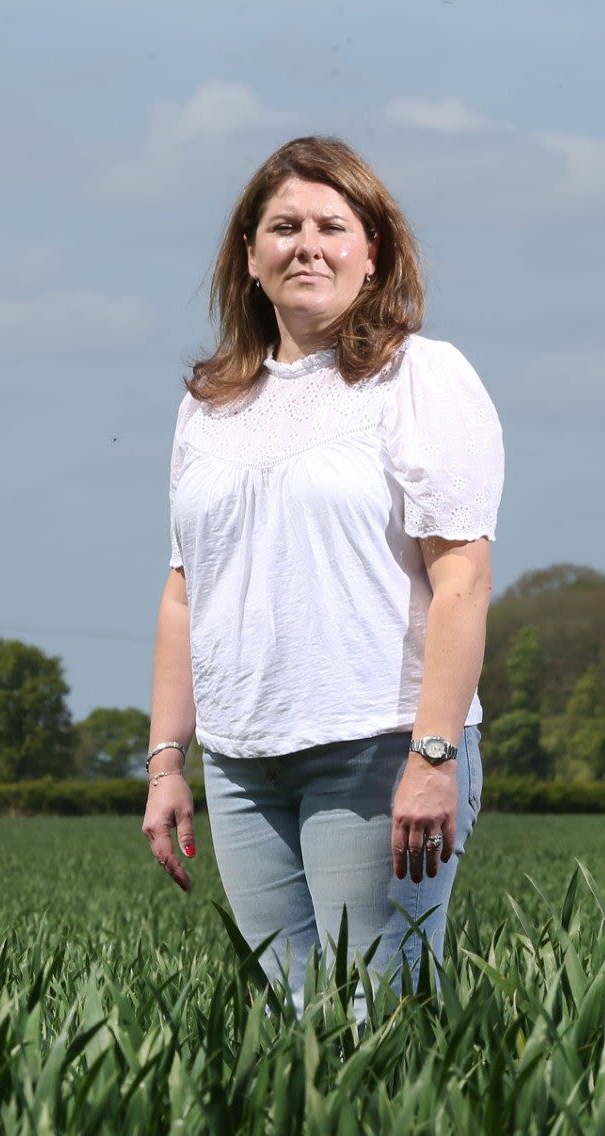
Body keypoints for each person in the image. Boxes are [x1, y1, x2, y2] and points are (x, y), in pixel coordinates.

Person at [141, 136, 501, 1005]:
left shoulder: (421, 377)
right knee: (294, 1018)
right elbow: (186, 592)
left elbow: (462, 581)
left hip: (375, 745)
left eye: (333, 226)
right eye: (283, 226)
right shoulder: (208, 405)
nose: (308, 244)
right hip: (240, 761)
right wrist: (165, 762)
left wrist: (434, 754)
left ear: (373, 254)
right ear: (250, 257)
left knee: (376, 1015)